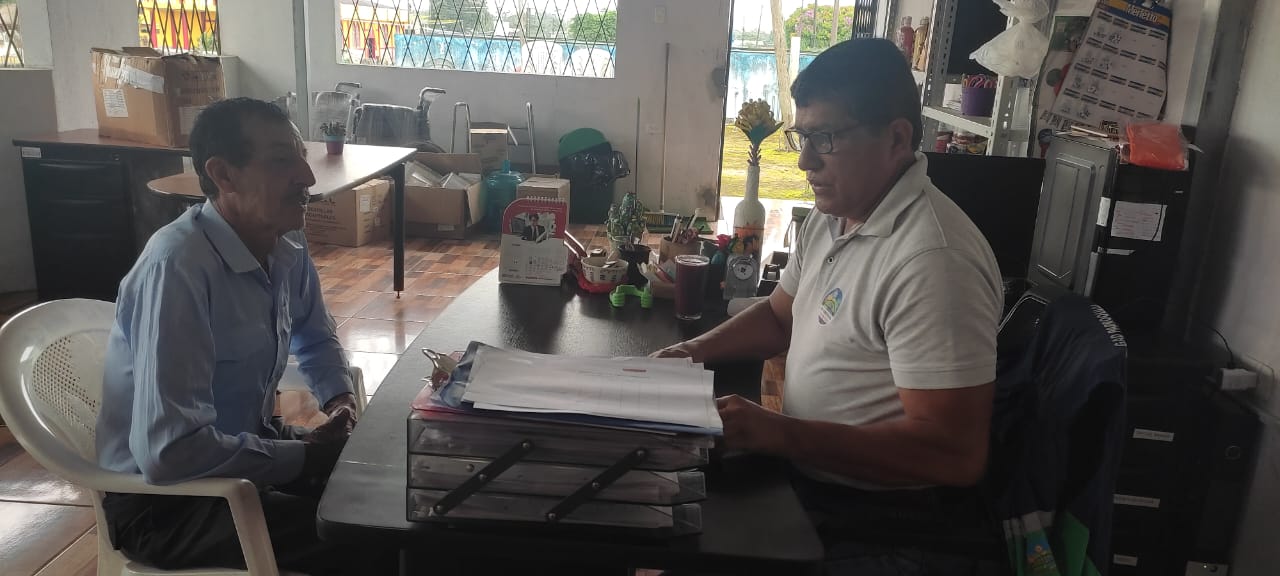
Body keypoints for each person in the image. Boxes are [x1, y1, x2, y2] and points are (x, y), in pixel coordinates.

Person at [654, 39, 1004, 575]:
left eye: (826, 138)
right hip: (811, 475)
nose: (804, 160)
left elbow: (954, 454)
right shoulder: (835, 214)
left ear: (896, 138)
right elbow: (780, 316)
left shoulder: (934, 260)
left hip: (885, 520)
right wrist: (688, 353)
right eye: (803, 136)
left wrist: (780, 433)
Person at [96, 98, 389, 575]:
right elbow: (169, 452)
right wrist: (305, 457)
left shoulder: (285, 242)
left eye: (302, 158)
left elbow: (315, 339)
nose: (307, 177)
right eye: (281, 161)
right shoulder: (178, 269)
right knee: (371, 538)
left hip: (245, 452)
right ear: (223, 175)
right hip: (166, 504)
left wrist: (341, 402)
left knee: (390, 489)